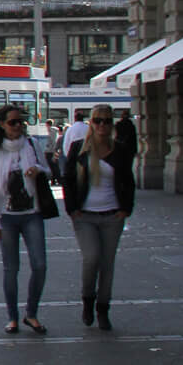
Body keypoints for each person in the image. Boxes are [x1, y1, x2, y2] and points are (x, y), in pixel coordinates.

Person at [63, 103, 134, 330]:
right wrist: (72, 209)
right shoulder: (79, 149)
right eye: (98, 120)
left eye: (107, 121)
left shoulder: (120, 149)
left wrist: (126, 210)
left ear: (112, 124)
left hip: (113, 215)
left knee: (107, 264)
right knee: (91, 258)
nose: (102, 125)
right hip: (85, 216)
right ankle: (87, 300)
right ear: (91, 123)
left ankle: (103, 309)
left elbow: (128, 181)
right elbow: (68, 179)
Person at [0, 104, 50, 334]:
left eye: (20, 122)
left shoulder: (31, 145)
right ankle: (12, 317)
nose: (17, 126)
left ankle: (31, 313)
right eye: (12, 122)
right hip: (7, 217)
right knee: (11, 269)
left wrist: (38, 170)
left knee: (40, 265)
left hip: (32, 213)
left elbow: (48, 170)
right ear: (2, 125)